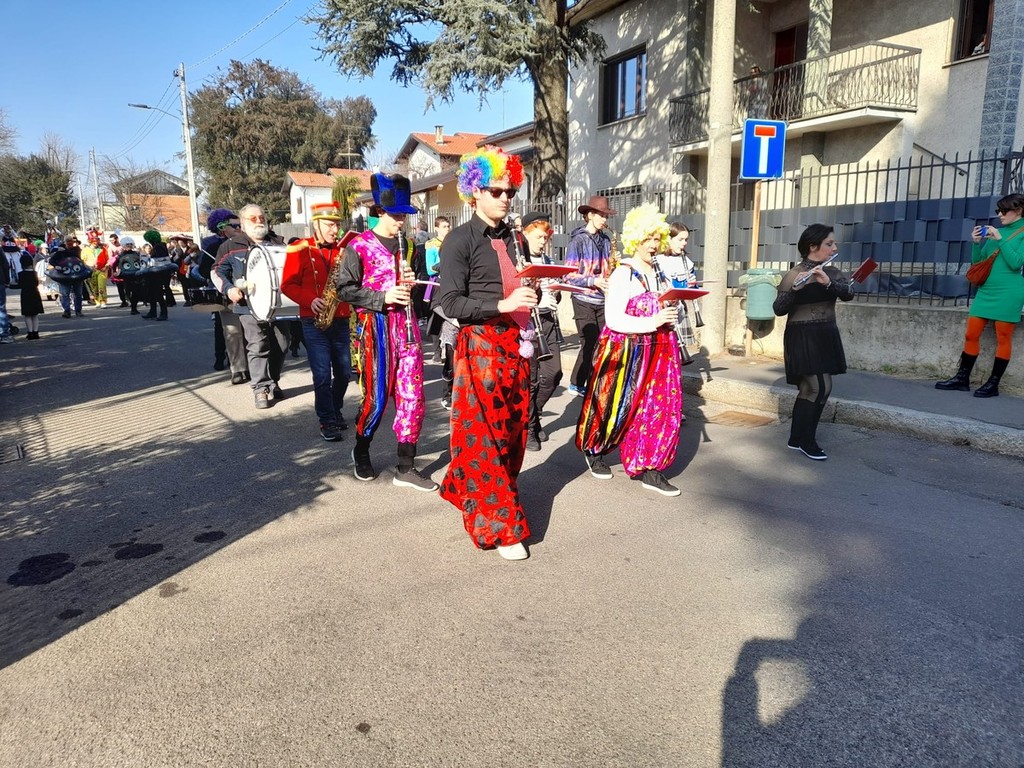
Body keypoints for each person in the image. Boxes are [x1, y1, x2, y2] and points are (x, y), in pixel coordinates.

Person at [436, 146, 539, 560]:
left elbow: (518, 285)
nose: (505, 198)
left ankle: (476, 491)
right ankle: (500, 526)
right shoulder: (459, 240)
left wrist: (535, 293)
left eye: (510, 191)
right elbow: (448, 303)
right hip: (480, 348)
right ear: (474, 192)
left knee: (513, 433)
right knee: (486, 438)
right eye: (496, 190)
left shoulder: (514, 239)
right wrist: (502, 305)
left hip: (516, 346)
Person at [335, 173, 436, 490]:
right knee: (377, 400)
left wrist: (412, 288)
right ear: (379, 212)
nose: (401, 222)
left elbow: (416, 289)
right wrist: (382, 297)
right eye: (395, 215)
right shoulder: (358, 247)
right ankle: (361, 450)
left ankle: (406, 466)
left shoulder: (409, 246)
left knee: (412, 397)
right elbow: (343, 289)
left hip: (406, 330)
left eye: (404, 216)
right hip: (375, 330)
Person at [575, 203, 683, 496]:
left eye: (656, 239)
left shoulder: (661, 273)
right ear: (636, 239)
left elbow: (666, 312)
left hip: (660, 352)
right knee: (613, 406)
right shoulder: (623, 273)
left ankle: (650, 466)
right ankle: (595, 449)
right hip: (625, 352)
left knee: (658, 408)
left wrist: (672, 310)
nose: (652, 245)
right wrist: (654, 319)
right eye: (647, 239)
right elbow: (614, 319)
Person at [772, 223, 854, 460]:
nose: (834, 247)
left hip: (825, 334)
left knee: (812, 388)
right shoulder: (794, 273)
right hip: (802, 336)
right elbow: (778, 309)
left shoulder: (832, 273)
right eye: (829, 244)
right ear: (812, 246)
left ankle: (797, 438)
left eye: (833, 244)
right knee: (820, 387)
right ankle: (808, 441)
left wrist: (826, 282)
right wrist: (795, 289)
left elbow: (847, 293)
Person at [935, 192, 1024, 398]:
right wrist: (975, 243)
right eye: (998, 211)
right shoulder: (996, 232)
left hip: (1009, 292)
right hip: (986, 291)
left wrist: (1001, 239)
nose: (1000, 215)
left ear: (1018, 210)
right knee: (971, 333)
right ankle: (962, 378)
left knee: (1003, 336)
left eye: (1004, 211)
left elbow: (1016, 263)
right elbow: (979, 263)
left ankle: (993, 384)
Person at [282, 201, 353, 442]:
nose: (335, 230)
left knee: (344, 373)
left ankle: (335, 409)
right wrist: (310, 300)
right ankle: (327, 420)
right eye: (330, 225)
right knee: (322, 374)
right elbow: (287, 284)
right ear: (316, 224)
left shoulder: (344, 250)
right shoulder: (299, 249)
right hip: (314, 321)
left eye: (337, 225)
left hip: (340, 318)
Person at [214, 204, 289, 409]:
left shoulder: (278, 243)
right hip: (248, 307)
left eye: (261, 217)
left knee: (282, 344)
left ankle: (272, 380)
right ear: (243, 223)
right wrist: (229, 289)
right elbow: (217, 271)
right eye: (253, 218)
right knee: (257, 344)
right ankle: (260, 388)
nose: (259, 221)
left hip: (277, 305)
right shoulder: (230, 246)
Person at [563, 194, 617, 396]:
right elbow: (568, 275)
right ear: (590, 215)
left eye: (606, 216)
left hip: (602, 298)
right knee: (589, 342)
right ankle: (577, 383)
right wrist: (593, 281)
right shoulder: (577, 241)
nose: (605, 220)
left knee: (603, 342)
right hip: (582, 298)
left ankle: (595, 382)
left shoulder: (605, 239)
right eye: (602, 215)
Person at [520, 211, 563, 450]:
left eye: (545, 236)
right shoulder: (521, 261)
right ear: (525, 235)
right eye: (537, 236)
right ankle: (529, 430)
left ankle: (533, 415)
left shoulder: (548, 261)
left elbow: (555, 291)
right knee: (532, 379)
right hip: (528, 323)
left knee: (554, 373)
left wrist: (555, 292)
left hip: (548, 321)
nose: (542, 240)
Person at [200, 209, 249, 381]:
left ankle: (250, 365)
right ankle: (237, 368)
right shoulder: (212, 246)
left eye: (239, 225)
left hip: (249, 294)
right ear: (222, 227)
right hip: (226, 293)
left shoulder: (247, 242)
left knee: (249, 332)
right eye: (234, 225)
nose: (238, 228)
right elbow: (205, 270)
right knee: (231, 331)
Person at [48, 236, 90, 318]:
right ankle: (66, 310)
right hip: (64, 276)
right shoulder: (60, 251)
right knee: (65, 294)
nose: (69, 242)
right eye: (67, 241)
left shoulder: (76, 249)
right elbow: (51, 260)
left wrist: (63, 251)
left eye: (70, 241)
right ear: (65, 242)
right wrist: (57, 266)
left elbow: (75, 254)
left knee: (78, 294)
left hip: (77, 275)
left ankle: (78, 310)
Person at [140, 229, 175, 321]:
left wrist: (148, 261)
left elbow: (159, 260)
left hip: (158, 274)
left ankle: (163, 313)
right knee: (152, 293)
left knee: (158, 293)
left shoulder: (158, 247)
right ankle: (153, 311)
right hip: (158, 273)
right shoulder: (160, 246)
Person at [18, 253, 44, 339]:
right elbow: (36, 283)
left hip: (25, 294)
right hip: (35, 294)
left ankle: (30, 332)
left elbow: (20, 285)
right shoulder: (34, 273)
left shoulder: (21, 274)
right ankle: (36, 332)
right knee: (35, 315)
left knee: (27, 315)